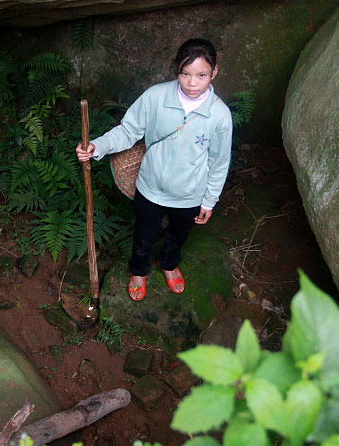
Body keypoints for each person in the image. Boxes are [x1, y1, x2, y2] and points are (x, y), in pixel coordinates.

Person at [76, 38, 232, 301]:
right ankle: (138, 271)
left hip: (189, 193)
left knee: (178, 234)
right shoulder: (156, 97)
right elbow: (128, 131)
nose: (192, 83)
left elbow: (219, 162)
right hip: (150, 187)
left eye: (202, 75)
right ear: (176, 70)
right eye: (185, 74)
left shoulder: (219, 115)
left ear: (214, 72)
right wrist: (96, 146)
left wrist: (209, 200)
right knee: (144, 232)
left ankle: (169, 264)